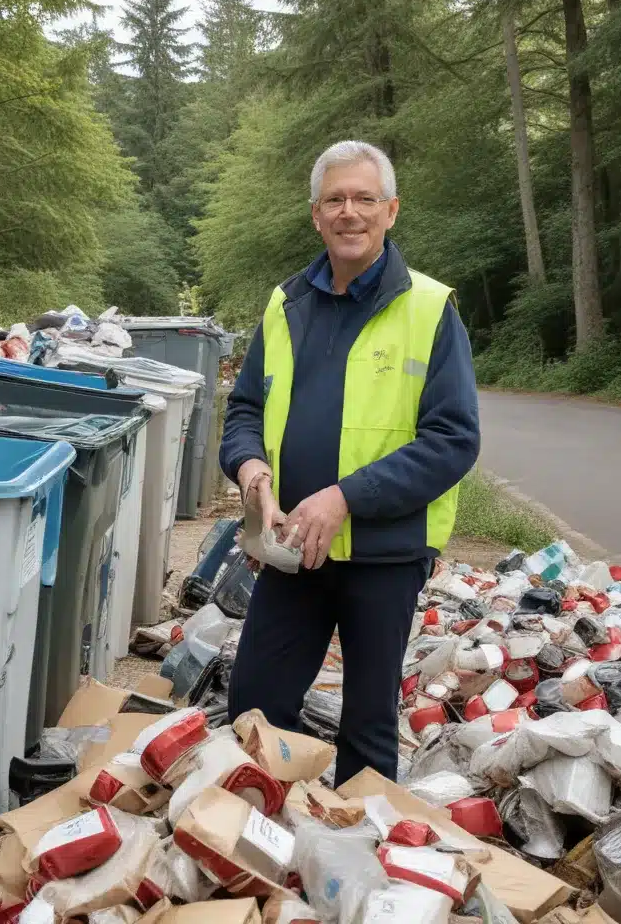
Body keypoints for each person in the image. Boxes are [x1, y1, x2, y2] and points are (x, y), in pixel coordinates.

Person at [220, 139, 481, 787]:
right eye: (335, 199)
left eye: (365, 198)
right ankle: (254, 851)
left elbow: (453, 439)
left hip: (384, 555)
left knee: (365, 727)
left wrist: (344, 498)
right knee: (254, 707)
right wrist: (250, 470)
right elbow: (245, 410)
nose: (349, 212)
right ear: (316, 215)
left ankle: (354, 865)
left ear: (391, 211)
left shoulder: (428, 309)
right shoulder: (286, 307)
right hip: (292, 550)